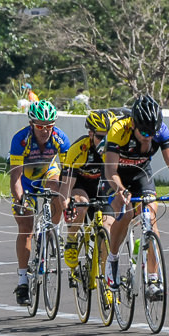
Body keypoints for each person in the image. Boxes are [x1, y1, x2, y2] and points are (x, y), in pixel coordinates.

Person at [103, 94, 169, 301]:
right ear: (133, 123)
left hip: (141, 173)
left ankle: (153, 279)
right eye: (144, 132)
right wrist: (120, 190)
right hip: (116, 174)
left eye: (152, 133)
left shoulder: (159, 130)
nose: (148, 137)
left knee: (151, 218)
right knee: (124, 213)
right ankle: (113, 259)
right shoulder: (119, 130)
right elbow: (110, 171)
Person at [9, 100, 71, 306]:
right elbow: (15, 177)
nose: (45, 130)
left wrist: (65, 201)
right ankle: (23, 281)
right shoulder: (20, 139)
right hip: (25, 180)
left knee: (57, 187)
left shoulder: (60, 139)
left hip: (48, 174)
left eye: (49, 126)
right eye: (40, 126)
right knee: (25, 227)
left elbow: (68, 175)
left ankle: (53, 229)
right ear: (31, 124)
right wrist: (19, 201)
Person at [59, 109, 113, 278]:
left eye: (108, 136)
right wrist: (67, 206)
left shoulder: (114, 149)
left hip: (102, 186)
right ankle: (72, 241)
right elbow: (66, 187)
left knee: (107, 229)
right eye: (100, 136)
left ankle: (106, 279)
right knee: (81, 204)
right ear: (90, 134)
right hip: (79, 184)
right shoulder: (79, 149)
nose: (104, 141)